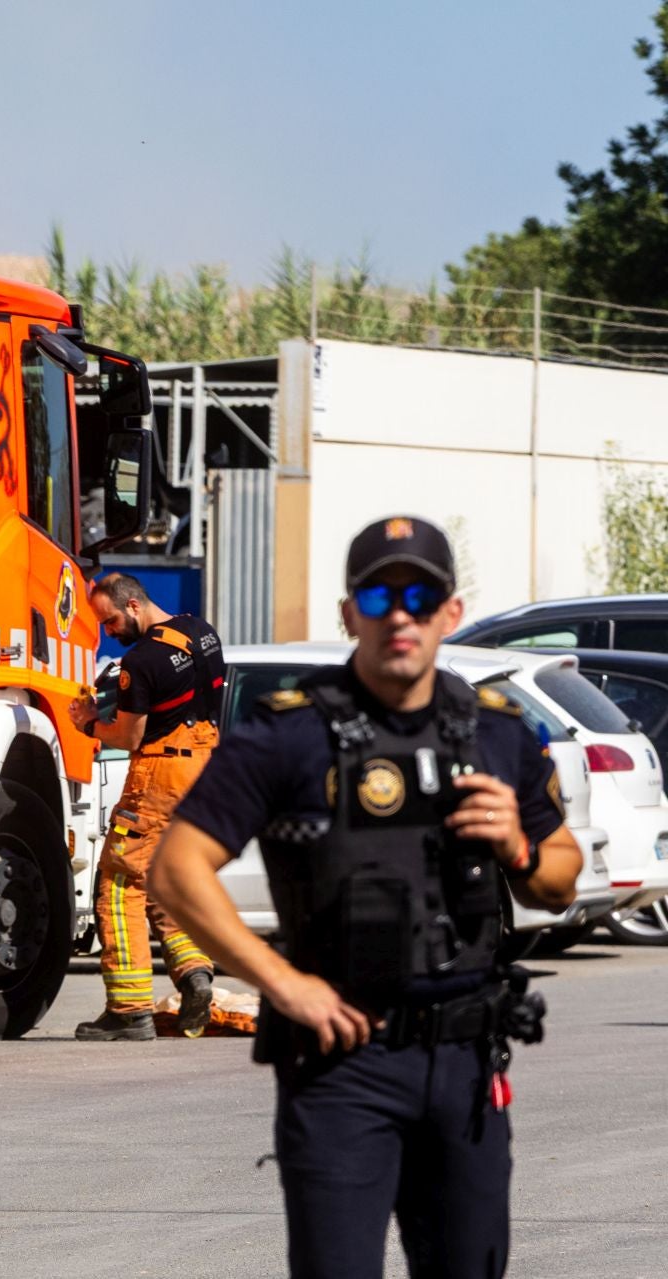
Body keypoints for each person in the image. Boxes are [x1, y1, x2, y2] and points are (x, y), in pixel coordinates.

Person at [151, 515, 582, 1279]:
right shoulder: (287, 735)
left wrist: (518, 843)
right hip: (340, 1065)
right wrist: (283, 984)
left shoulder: (498, 735)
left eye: (422, 594)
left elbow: (559, 873)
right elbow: (177, 867)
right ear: (350, 612)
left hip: (464, 1058)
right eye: (379, 595)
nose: (401, 613)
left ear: (451, 611)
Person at [67, 572, 224, 1041]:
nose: (108, 632)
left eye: (111, 621)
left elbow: (128, 736)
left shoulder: (142, 660)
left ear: (133, 606)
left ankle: (129, 1010)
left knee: (119, 885)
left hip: (159, 775)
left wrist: (90, 723)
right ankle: (195, 971)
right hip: (205, 768)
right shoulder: (202, 632)